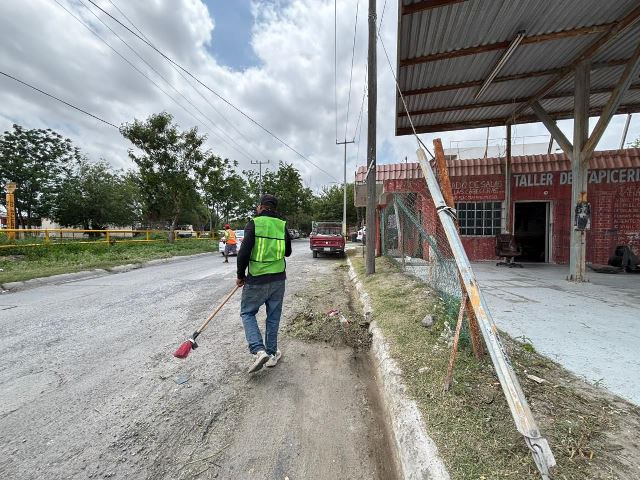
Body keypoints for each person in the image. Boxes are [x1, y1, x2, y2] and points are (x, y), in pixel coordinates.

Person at [236, 194, 292, 373]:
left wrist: (240, 276)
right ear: (274, 208)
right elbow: (288, 252)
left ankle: (258, 350)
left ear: (260, 207)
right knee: (273, 317)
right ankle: (272, 354)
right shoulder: (282, 225)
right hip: (278, 279)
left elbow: (243, 253)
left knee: (247, 312)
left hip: (257, 279)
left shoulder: (254, 223)